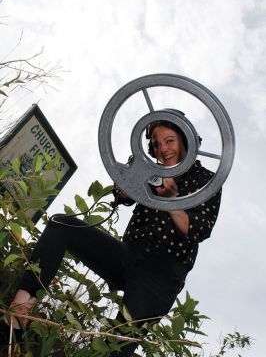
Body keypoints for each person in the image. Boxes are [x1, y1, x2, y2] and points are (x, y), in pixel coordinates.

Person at [2, 118, 222, 356]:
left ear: (185, 141)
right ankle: (19, 314)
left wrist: (170, 200)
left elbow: (198, 229)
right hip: (129, 254)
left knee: (116, 346)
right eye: (157, 145)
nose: (163, 149)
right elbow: (122, 195)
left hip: (162, 274)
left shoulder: (207, 180)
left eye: (169, 141)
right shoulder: (153, 172)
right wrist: (131, 176)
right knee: (61, 225)